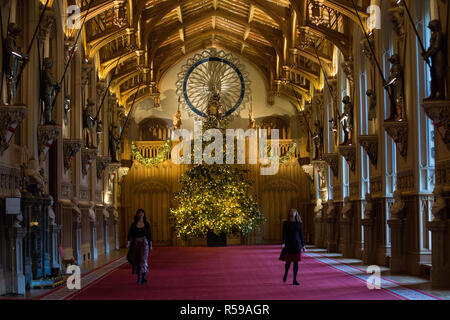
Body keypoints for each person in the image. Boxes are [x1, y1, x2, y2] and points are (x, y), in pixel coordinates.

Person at [280, 209, 305, 286]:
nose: (292, 212)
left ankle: (294, 279)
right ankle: (286, 273)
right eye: (291, 211)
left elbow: (301, 235)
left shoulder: (299, 223)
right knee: (288, 262)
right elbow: (284, 234)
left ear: (296, 213)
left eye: (294, 211)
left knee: (296, 263)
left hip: (297, 244)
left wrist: (303, 245)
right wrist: (283, 243)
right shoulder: (286, 223)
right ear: (289, 213)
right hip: (288, 244)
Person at [127, 209, 152, 284]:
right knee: (137, 260)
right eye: (139, 213)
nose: (140, 214)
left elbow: (149, 235)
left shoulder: (146, 224)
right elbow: (130, 234)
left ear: (144, 214)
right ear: (137, 214)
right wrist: (128, 243)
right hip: (136, 243)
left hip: (144, 243)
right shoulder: (133, 224)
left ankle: (143, 276)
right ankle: (139, 277)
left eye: (142, 213)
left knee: (143, 259)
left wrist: (151, 245)